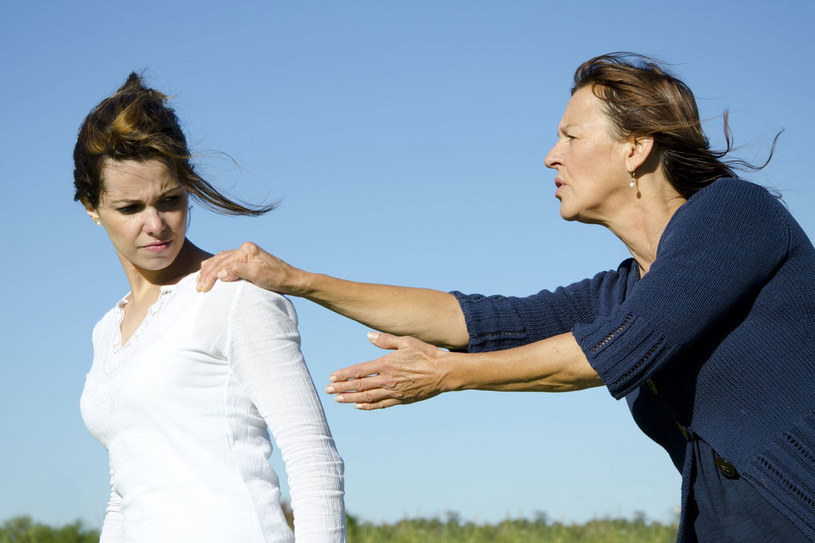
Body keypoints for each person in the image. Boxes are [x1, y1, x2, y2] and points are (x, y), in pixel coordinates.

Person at [196, 53, 815, 542]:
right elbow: (476, 319)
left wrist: (449, 375)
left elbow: (617, 350)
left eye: (571, 136)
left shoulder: (735, 215)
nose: (552, 156)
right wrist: (296, 280)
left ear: (635, 146)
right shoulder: (624, 288)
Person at [75, 73, 346, 543]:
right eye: (129, 208)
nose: (155, 225)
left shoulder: (233, 294)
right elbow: (127, 490)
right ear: (91, 207)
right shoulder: (106, 332)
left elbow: (312, 455)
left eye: (170, 200)